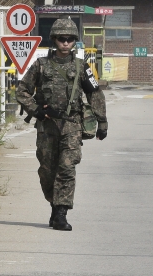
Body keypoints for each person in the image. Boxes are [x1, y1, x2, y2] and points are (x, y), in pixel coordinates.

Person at [16, 17, 107, 231]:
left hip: (72, 125)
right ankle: (54, 205)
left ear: (74, 41)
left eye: (69, 39)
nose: (65, 43)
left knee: (67, 168)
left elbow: (94, 93)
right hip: (47, 126)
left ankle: (61, 213)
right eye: (61, 39)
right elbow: (22, 91)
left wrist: (102, 121)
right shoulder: (40, 65)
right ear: (54, 39)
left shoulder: (81, 67)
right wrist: (36, 110)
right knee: (47, 171)